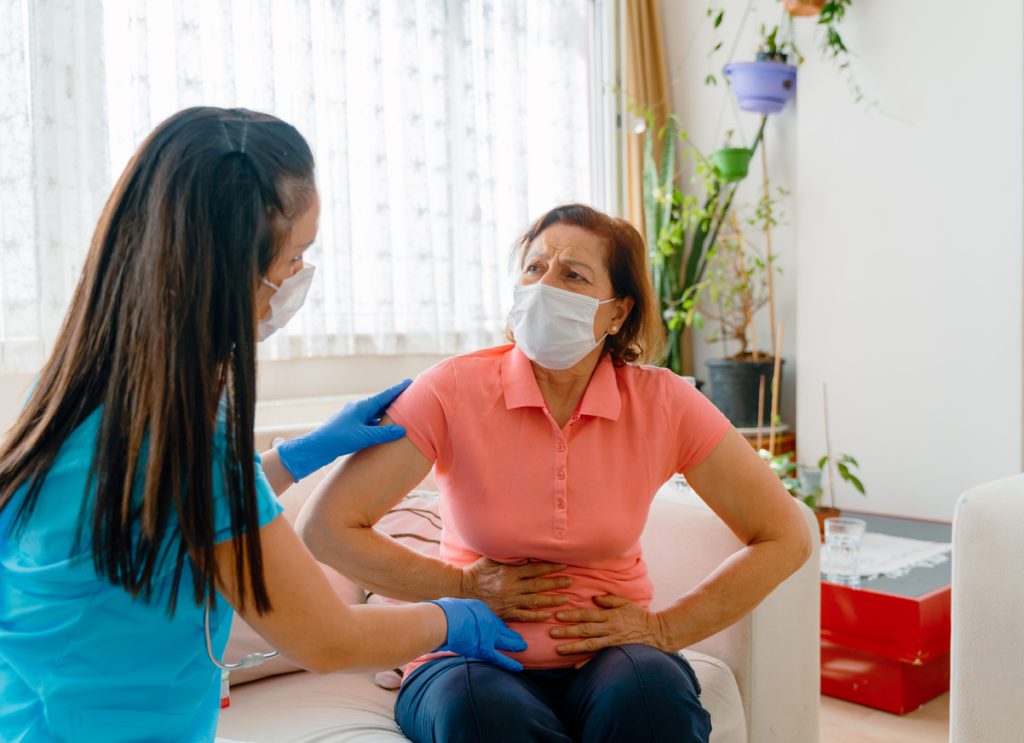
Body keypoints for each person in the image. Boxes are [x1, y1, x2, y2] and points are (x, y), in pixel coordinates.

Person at [0, 107, 523, 743]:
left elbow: (174, 513)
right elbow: (327, 637)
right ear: (224, 272)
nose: (298, 277)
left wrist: (298, 457)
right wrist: (453, 618)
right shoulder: (192, 444)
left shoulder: (72, 395)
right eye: (294, 255)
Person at [297, 204, 813, 743]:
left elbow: (785, 536)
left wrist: (665, 628)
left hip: (611, 656)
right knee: (483, 713)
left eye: (573, 275)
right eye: (535, 268)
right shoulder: (450, 389)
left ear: (618, 313)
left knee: (651, 698)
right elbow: (326, 528)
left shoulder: (663, 402)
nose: (545, 286)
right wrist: (462, 586)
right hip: (468, 657)